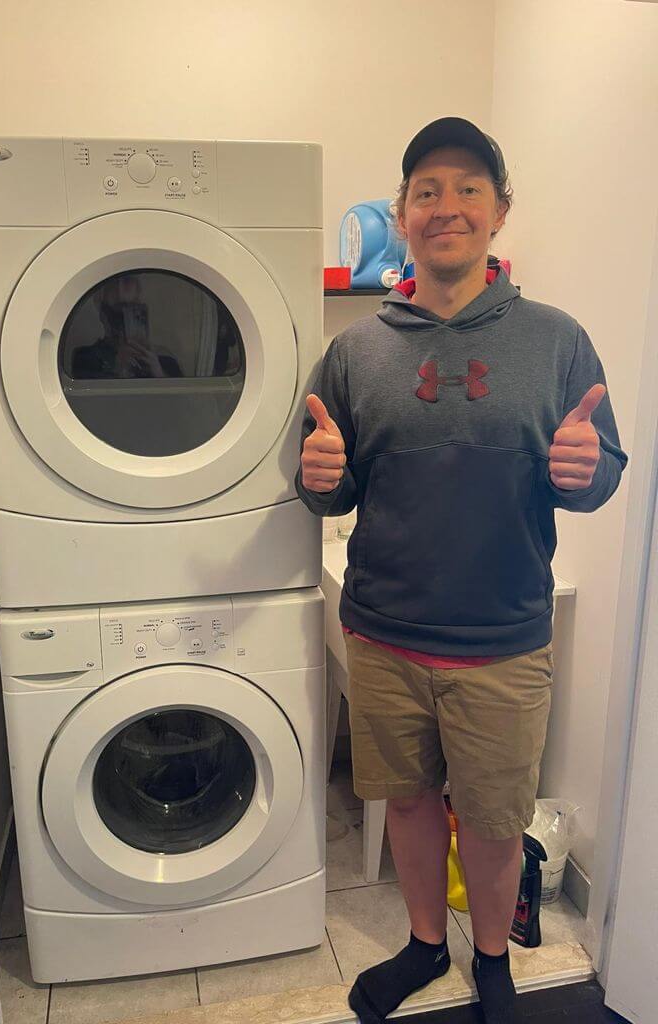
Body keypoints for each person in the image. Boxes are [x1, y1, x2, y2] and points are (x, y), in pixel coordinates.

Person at [296, 117, 628, 1024]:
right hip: (386, 634)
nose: (447, 206)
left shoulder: (557, 341)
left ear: (499, 211)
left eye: (468, 188)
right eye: (427, 191)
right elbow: (328, 482)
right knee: (407, 804)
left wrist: (587, 471)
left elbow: (601, 471)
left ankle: (490, 960)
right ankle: (422, 943)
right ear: (402, 214)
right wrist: (317, 477)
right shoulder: (357, 350)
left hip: (504, 641)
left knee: (490, 819)